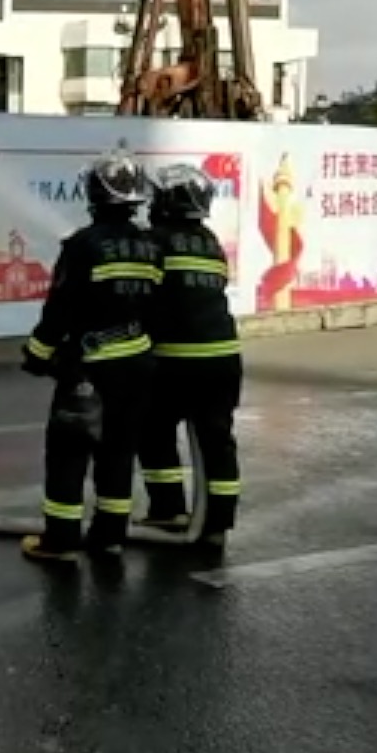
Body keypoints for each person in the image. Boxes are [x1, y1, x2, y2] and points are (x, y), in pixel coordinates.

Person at [20, 151, 161, 564]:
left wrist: (37, 354)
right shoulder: (151, 246)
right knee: (118, 453)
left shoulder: (83, 245)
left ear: (95, 195)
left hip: (88, 369)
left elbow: (59, 309)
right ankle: (110, 537)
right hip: (137, 368)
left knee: (69, 452)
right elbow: (156, 309)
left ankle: (61, 541)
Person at [137, 163, 243, 548]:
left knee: (154, 431)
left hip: (175, 359)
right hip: (224, 359)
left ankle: (169, 511)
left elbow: (141, 294)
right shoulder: (210, 242)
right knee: (217, 440)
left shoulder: (153, 242)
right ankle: (217, 524)